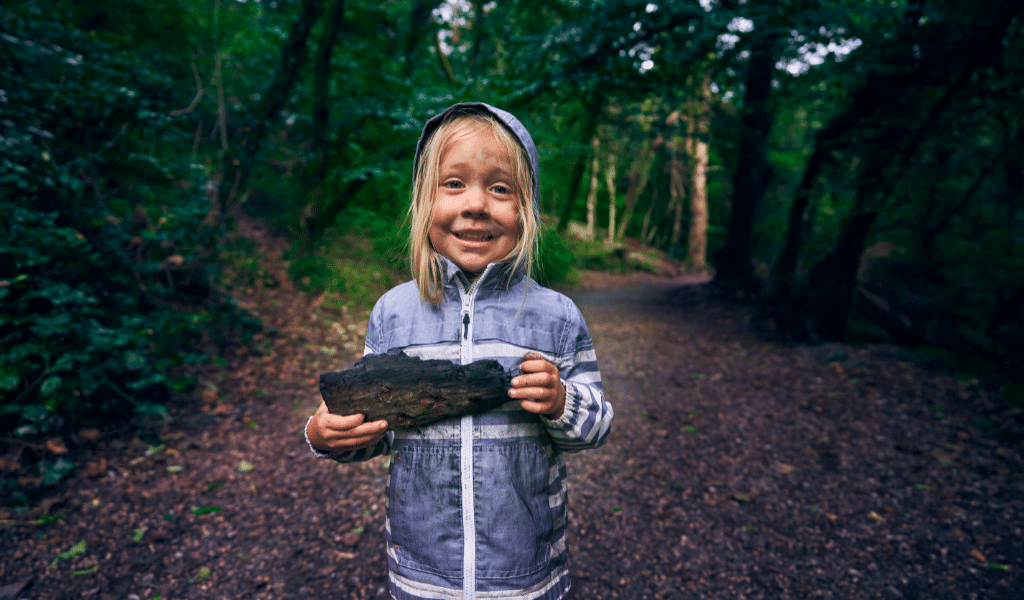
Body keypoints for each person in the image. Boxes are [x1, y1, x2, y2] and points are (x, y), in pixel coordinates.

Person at [305, 102, 613, 600]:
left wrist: (561, 402)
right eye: (454, 184)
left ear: (526, 210)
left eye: (500, 188)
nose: (476, 205)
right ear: (425, 203)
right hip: (423, 574)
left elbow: (595, 427)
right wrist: (328, 435)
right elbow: (378, 433)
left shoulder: (556, 316)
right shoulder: (393, 313)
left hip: (526, 574)